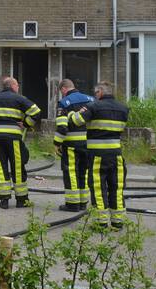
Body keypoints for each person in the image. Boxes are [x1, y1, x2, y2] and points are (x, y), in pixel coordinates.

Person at [68, 82, 129, 229]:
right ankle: (117, 222)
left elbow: (76, 121)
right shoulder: (123, 108)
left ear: (100, 92)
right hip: (116, 155)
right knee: (117, 187)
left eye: (96, 93)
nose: (95, 96)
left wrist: (70, 113)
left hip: (97, 156)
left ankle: (101, 222)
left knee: (98, 188)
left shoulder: (93, 106)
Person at [0, 77, 40, 209]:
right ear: (13, 86)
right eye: (17, 85)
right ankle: (21, 200)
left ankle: (4, 200)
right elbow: (36, 111)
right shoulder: (20, 98)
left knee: (0, 167)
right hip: (14, 138)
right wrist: (26, 124)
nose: (18, 88)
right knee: (18, 168)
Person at [55, 78, 92, 212]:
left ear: (64, 89)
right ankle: (83, 203)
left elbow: (62, 127)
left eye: (61, 91)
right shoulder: (91, 100)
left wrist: (57, 143)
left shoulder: (64, 102)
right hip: (88, 144)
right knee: (84, 172)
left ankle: (72, 204)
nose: (62, 94)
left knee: (71, 172)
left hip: (71, 144)